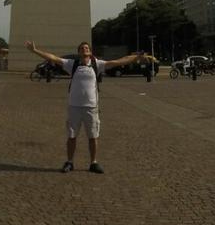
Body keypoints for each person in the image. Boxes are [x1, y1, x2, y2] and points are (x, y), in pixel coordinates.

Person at [25, 39, 145, 174]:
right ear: (79, 52)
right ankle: (69, 162)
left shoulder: (97, 64)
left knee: (93, 136)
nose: (84, 50)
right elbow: (53, 58)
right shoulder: (72, 64)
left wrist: (136, 57)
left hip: (91, 107)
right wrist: (35, 50)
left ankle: (93, 162)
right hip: (74, 107)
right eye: (82, 48)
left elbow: (118, 61)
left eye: (86, 48)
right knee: (71, 136)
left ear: (90, 51)